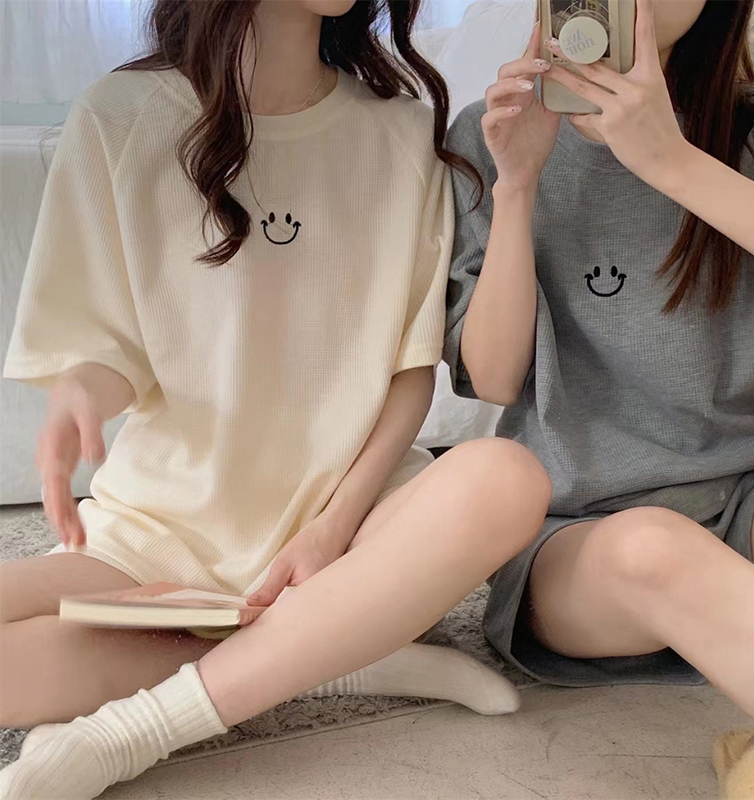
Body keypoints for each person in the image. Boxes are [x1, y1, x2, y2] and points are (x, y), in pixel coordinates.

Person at [0, 1, 553, 796]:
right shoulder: (118, 117)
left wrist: (332, 529)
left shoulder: (399, 132)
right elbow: (109, 349)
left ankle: (142, 728)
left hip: (350, 546)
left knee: (504, 477)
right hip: (157, 537)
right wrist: (79, 393)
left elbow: (409, 373)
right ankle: (332, 659)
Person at [444, 0, 754, 796]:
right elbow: (494, 377)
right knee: (653, 550)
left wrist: (671, 161)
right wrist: (517, 186)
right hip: (584, 544)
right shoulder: (489, 133)